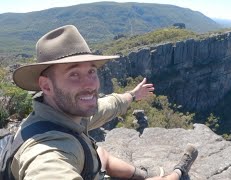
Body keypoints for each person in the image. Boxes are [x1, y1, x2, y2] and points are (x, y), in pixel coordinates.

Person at [11, 25, 198, 180]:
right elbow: (47, 170)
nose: (90, 85)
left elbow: (106, 106)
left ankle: (142, 174)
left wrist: (132, 95)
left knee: (100, 153)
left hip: (89, 168)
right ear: (46, 85)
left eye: (91, 72)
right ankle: (177, 172)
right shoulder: (47, 149)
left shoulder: (65, 112)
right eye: (73, 74)